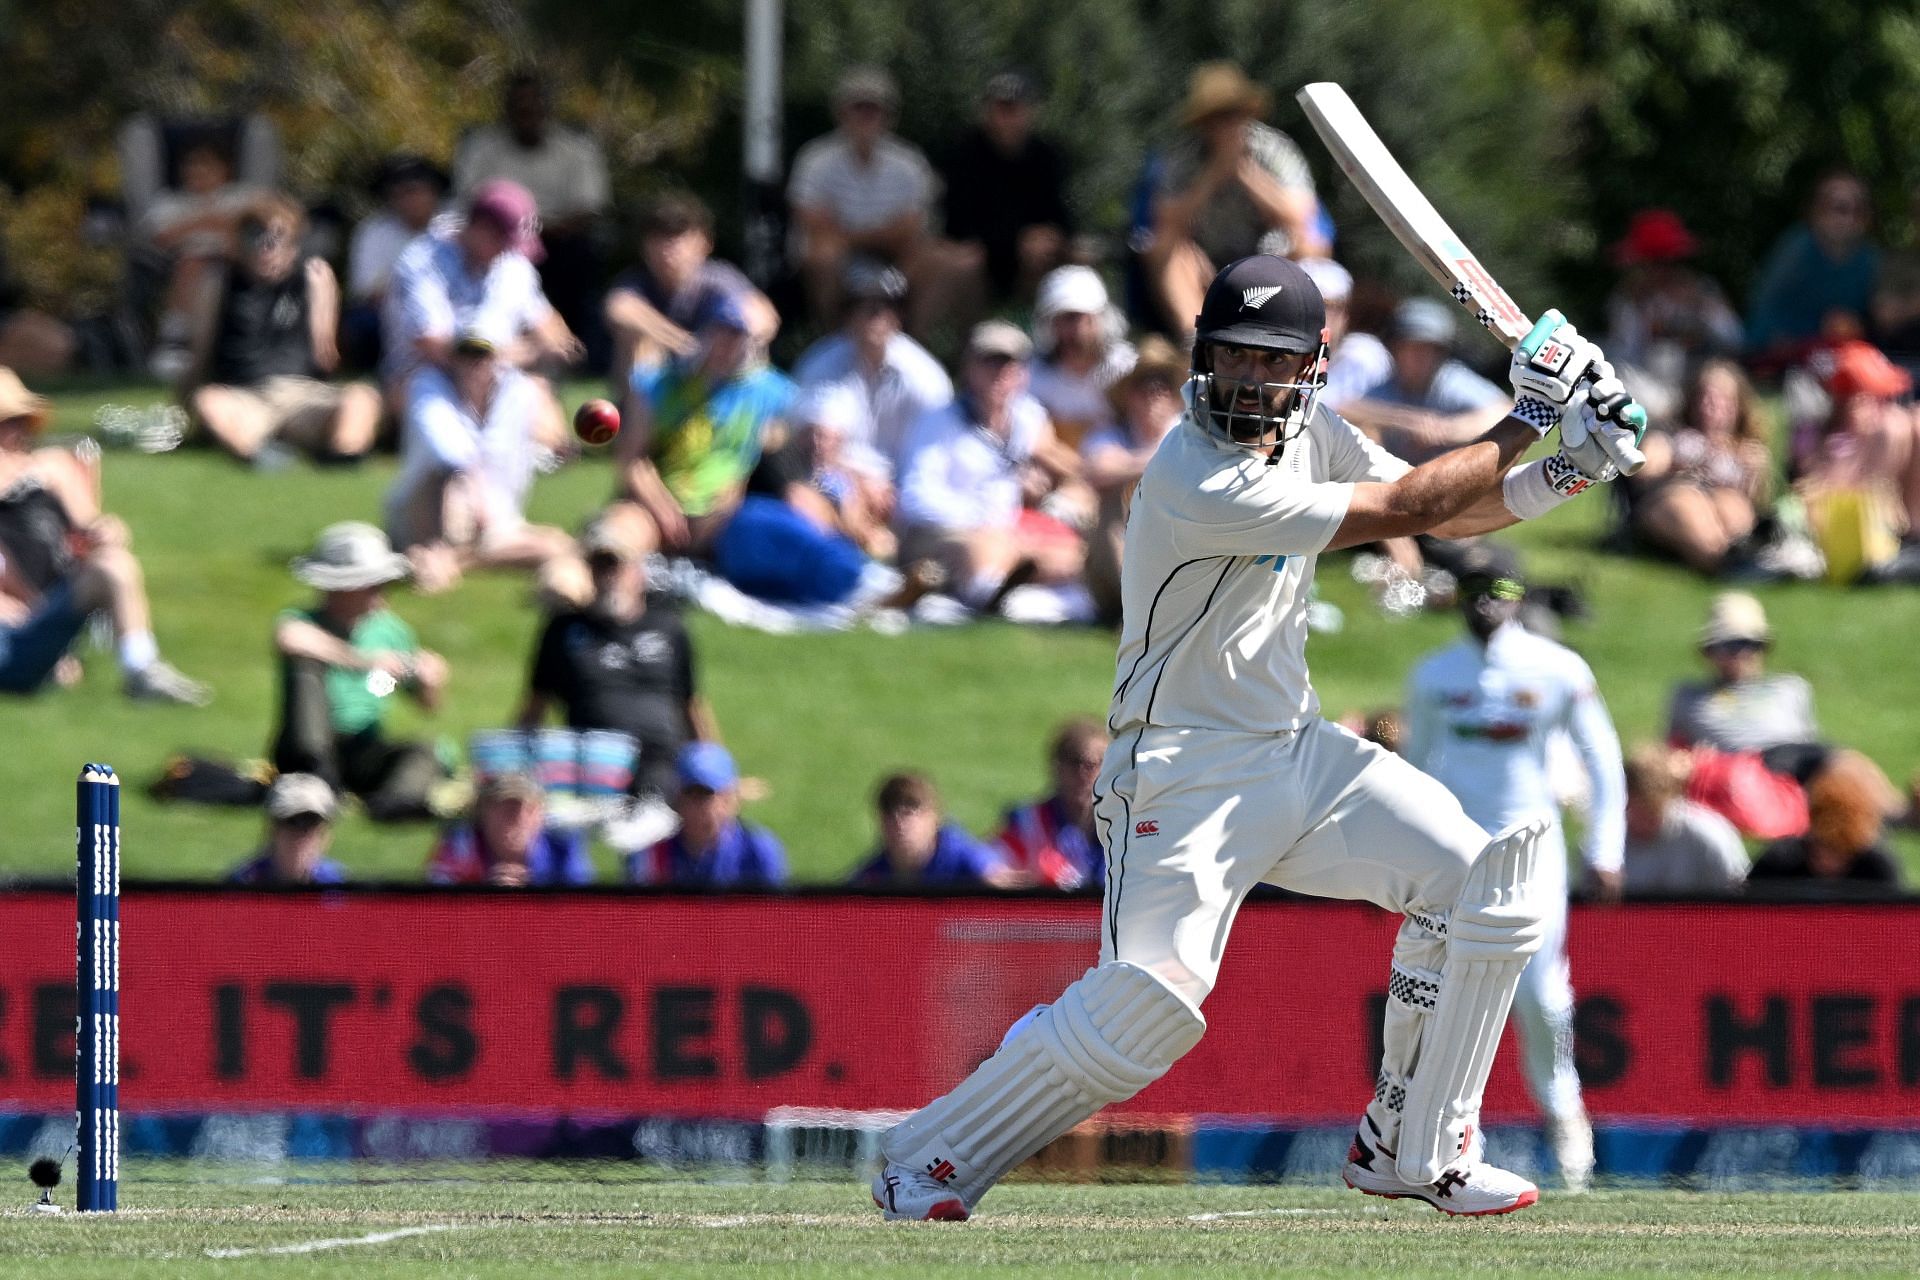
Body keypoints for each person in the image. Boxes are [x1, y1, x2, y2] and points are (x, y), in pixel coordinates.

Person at [868, 253, 1645, 1222]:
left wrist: (1575, 460)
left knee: (1483, 880)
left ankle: (1414, 1141)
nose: (1248, 379)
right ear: (1203, 359)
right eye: (1232, 357)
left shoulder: (1315, 431)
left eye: (1271, 362)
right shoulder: (1198, 473)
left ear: (1311, 367)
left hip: (1296, 749)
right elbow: (1414, 507)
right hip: (1180, 772)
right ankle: (927, 1155)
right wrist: (1532, 414)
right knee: (1148, 1007)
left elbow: (1448, 504)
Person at [1401, 545, 1626, 1192]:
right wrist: (1396, 860)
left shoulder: (1558, 669)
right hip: (1458, 851)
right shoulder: (1433, 675)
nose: (1484, 603)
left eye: (1498, 589)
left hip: (1534, 849)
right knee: (1450, 996)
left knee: (1538, 992)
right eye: (1472, 589)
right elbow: (1415, 768)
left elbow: (1603, 762)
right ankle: (1461, 1139)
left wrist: (1604, 850)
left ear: (1521, 595)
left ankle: (1564, 1117)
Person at [0, 369, 209, 703]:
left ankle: (141, 670)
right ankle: (48, 658)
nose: (16, 432)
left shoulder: (50, 467)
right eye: (7, 423)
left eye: (20, 422)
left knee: (115, 564)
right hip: (7, 629)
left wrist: (107, 532)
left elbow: (95, 524)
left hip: (48, 611)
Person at [518, 514, 714, 809]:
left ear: (638, 570)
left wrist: (714, 768)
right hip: (596, 763)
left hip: (661, 757)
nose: (607, 575)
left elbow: (691, 704)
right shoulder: (563, 630)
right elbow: (534, 707)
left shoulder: (668, 626)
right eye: (599, 565)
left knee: (662, 798)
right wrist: (511, 768)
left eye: (615, 564)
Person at [895, 321, 1089, 617]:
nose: (1001, 374)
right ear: (970, 369)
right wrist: (980, 518)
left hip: (1008, 530)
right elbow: (915, 496)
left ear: (1023, 374)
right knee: (985, 547)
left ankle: (1017, 592)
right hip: (946, 531)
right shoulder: (939, 421)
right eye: (991, 363)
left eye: (1010, 365)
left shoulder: (1027, 417)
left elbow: (1063, 466)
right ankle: (994, 596)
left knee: (1071, 553)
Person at [381, 178, 584, 441]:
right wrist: (517, 352)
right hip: (425, 378)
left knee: (539, 405)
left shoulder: (512, 264)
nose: (507, 250)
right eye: (503, 240)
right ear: (480, 228)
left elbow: (551, 328)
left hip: (500, 377)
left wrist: (559, 347)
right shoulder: (423, 261)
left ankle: (538, 450)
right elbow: (431, 343)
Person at [272, 522, 447, 822]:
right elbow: (291, 638)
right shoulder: (303, 621)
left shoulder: (391, 632)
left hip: (363, 747)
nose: (381, 592)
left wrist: (426, 680)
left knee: (427, 750)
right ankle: (316, 774)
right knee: (306, 671)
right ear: (342, 587)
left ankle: (397, 802)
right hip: (306, 746)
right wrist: (365, 661)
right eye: (372, 584)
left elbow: (407, 699)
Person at [187, 200, 381, 464]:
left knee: (362, 396)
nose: (266, 248)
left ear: (293, 244)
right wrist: (185, 400)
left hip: (304, 396)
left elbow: (327, 354)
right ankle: (258, 457)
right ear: (239, 243)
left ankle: (342, 456)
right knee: (208, 401)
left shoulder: (314, 275)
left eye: (277, 238)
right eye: (256, 237)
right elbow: (200, 350)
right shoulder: (220, 280)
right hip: (245, 398)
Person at [788, 67, 976, 336]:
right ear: (841, 113)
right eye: (859, 107)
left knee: (953, 261)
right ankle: (833, 340)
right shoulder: (815, 159)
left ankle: (910, 339)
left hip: (896, 257)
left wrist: (851, 234)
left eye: (874, 108)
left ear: (889, 115)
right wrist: (881, 235)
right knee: (823, 254)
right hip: (838, 258)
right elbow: (811, 221)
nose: (867, 116)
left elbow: (913, 227)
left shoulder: (909, 162)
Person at [1143, 63, 1326, 338]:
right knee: (1165, 245)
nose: (1226, 125)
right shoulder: (1182, 156)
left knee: (1310, 245)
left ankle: (1290, 331)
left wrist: (1246, 173)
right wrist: (1213, 173)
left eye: (1232, 115)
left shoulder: (1273, 149)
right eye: (1217, 117)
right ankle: (1193, 337)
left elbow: (1299, 215)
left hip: (1268, 256)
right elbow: (1166, 219)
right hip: (1204, 262)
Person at [385, 333, 571, 592]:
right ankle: (437, 550)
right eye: (465, 357)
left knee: (559, 546)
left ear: (496, 359)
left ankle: (452, 560)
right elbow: (451, 455)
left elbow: (551, 441)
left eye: (481, 357)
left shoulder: (519, 392)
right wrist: (484, 513)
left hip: (496, 519)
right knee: (451, 483)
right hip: (430, 514)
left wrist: (559, 444)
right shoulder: (427, 387)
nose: (473, 366)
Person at [453, 70, 611, 361]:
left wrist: (537, 230)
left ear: (547, 108)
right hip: (496, 239)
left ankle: (584, 354)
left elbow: (588, 209)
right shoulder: (481, 148)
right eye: (519, 106)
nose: (527, 113)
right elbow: (468, 203)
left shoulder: (576, 149)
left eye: (534, 105)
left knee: (580, 258)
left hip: (560, 240)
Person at [616, 295, 793, 556]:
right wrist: (662, 508)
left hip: (722, 517)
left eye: (736, 336)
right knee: (615, 540)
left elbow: (795, 430)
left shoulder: (767, 390)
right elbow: (631, 458)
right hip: (657, 505)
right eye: (720, 332)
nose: (726, 345)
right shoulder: (661, 383)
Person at [791, 260, 953, 478]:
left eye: (886, 305)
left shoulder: (926, 376)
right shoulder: (818, 364)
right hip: (836, 480)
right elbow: (809, 445)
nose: (875, 315)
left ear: (900, 315)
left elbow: (936, 450)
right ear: (847, 313)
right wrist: (860, 480)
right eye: (861, 305)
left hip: (906, 487)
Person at [604, 193, 776, 388]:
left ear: (705, 243)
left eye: (678, 236)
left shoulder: (719, 279)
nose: (668, 248)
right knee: (638, 341)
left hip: (714, 382)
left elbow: (762, 316)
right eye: (659, 237)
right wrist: (683, 344)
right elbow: (618, 308)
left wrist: (721, 342)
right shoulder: (638, 281)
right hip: (656, 389)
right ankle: (641, 416)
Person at [938, 71, 1073, 305]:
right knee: (966, 263)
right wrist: (1017, 239)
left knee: (1070, 256)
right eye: (1001, 108)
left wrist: (1052, 236)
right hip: (978, 249)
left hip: (1032, 252)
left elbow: (1061, 214)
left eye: (1014, 108)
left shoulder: (1047, 156)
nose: (1007, 117)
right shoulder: (964, 154)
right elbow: (958, 221)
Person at [1626, 359, 1774, 574]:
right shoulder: (1672, 433)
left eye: (1722, 401)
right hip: (1670, 495)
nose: (1710, 407)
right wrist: (1673, 460)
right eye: (1703, 398)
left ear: (1738, 407)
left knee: (1733, 508)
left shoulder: (1746, 448)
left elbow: (1756, 502)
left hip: (1723, 501)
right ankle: (1722, 564)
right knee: (1690, 504)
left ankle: (1743, 562)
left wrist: (1755, 473)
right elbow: (1644, 469)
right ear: (1691, 401)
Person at [1790, 340, 1920, 577]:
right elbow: (1814, 489)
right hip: (1837, 523)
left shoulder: (1887, 427)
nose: (1878, 406)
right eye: (1872, 397)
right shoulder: (1820, 437)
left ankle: (1912, 535)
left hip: (1881, 516)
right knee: (1896, 426)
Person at [1081, 335, 1186, 620]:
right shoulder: (1111, 434)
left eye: (1163, 384)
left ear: (1176, 397)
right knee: (1111, 504)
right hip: (1120, 563)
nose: (1154, 392)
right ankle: (1136, 608)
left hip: (1177, 552)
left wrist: (1130, 463)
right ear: (1129, 394)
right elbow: (1097, 470)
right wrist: (1157, 460)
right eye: (1144, 384)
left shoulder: (1186, 432)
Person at [1601, 209, 1743, 422]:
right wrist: (1641, 316)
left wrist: (1701, 307)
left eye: (1666, 263)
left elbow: (1735, 340)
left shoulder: (1702, 292)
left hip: (1699, 388)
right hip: (1651, 389)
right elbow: (1624, 358)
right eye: (1650, 264)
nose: (1659, 272)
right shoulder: (1627, 301)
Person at [1346, 299, 1512, 465]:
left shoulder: (1450, 381)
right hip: (1393, 480)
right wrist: (1406, 421)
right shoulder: (1388, 384)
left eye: (1430, 349)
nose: (1421, 357)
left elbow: (1505, 410)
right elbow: (1344, 409)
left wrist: (1447, 429)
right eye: (1413, 348)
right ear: (1396, 348)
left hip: (1452, 477)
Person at [1747, 170, 1880, 365]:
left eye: (1857, 209)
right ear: (1815, 210)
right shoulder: (1795, 250)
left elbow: (1876, 321)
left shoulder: (1870, 259)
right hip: (1786, 356)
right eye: (1837, 207)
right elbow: (1763, 317)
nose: (1846, 217)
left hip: (1846, 356)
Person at [1667, 593, 1817, 756]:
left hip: (1796, 764)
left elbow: (1811, 744)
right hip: (1738, 771)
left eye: (1753, 645)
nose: (1743, 654)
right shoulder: (1691, 697)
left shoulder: (1790, 688)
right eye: (1732, 645)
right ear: (1710, 651)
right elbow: (1670, 755)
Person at [626, 743, 787, 887]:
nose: (693, 807)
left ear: (731, 799)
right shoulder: (651, 853)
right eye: (689, 794)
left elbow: (772, 915)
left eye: (704, 795)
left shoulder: (756, 850)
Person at [343, 154, 450, 369]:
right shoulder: (372, 232)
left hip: (450, 308)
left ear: (434, 192)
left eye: (414, 191)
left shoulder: (455, 228)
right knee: (359, 322)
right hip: (391, 313)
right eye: (399, 194)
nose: (408, 200)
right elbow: (367, 292)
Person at [1750, 752, 1902, 892]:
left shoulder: (1876, 870)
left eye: (1841, 851)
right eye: (1823, 846)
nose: (1828, 862)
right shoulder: (1779, 863)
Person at [1025, 266, 1136, 450]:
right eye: (1061, 320)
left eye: (1076, 318)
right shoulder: (1034, 376)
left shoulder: (1125, 368)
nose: (1071, 331)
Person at [994, 718, 1109, 890]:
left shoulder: (1126, 825)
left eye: (1095, 764)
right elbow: (990, 866)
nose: (1084, 774)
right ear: (1056, 766)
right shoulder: (1028, 823)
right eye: (1075, 762)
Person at [1620, 744, 1749, 897]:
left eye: (1651, 812)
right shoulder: (1610, 842)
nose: (1641, 820)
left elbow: (1741, 893)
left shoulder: (1708, 834)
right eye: (1635, 809)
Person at [426, 770, 593, 886]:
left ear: (541, 814)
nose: (519, 818)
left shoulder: (562, 845)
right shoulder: (460, 845)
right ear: (484, 812)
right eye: (507, 808)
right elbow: (434, 909)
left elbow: (583, 913)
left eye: (530, 809)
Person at [849, 772, 1014, 887]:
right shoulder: (872, 876)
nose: (900, 823)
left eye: (910, 811)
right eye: (890, 813)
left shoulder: (964, 858)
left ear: (934, 818)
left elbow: (1003, 885)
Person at [226, 773, 348, 886]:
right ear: (272, 831)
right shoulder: (243, 885)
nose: (300, 835)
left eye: (311, 822)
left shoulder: (340, 889)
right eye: (292, 821)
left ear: (325, 836)